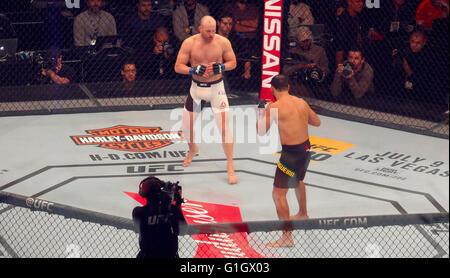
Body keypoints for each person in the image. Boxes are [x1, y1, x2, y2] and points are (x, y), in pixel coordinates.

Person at [256, 74, 321, 247]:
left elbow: (261, 131)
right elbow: (317, 122)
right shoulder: (301, 102)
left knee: (278, 194)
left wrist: (263, 110)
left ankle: (287, 237)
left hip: (291, 154)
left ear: (272, 89)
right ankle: (302, 213)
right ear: (289, 87)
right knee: (298, 180)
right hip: (306, 149)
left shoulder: (274, 107)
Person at [174, 16, 238, 184]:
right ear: (200, 28)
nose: (211, 34)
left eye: (214, 31)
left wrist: (222, 66)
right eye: (208, 31)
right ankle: (192, 149)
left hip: (217, 89)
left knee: (224, 128)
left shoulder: (222, 42)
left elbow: (233, 62)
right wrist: (193, 70)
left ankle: (230, 165)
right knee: (186, 127)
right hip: (197, 89)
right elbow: (178, 66)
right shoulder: (189, 43)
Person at [132, 176, 186, 258]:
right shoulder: (172, 210)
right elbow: (182, 231)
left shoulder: (138, 212)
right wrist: (177, 204)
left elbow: (138, 229)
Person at [282, 26, 329, 98]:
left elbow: (326, 69)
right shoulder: (292, 51)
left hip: (313, 82)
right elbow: (285, 71)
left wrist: (317, 68)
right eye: (303, 41)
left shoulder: (319, 50)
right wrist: (298, 67)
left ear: (311, 39)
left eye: (307, 40)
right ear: (297, 40)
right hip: (297, 82)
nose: (305, 43)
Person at [334, 0, 364, 66]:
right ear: (349, 2)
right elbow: (339, 46)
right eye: (358, 1)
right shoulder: (344, 20)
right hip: (346, 60)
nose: (361, 4)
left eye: (362, 1)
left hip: (354, 56)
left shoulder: (356, 16)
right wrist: (340, 68)